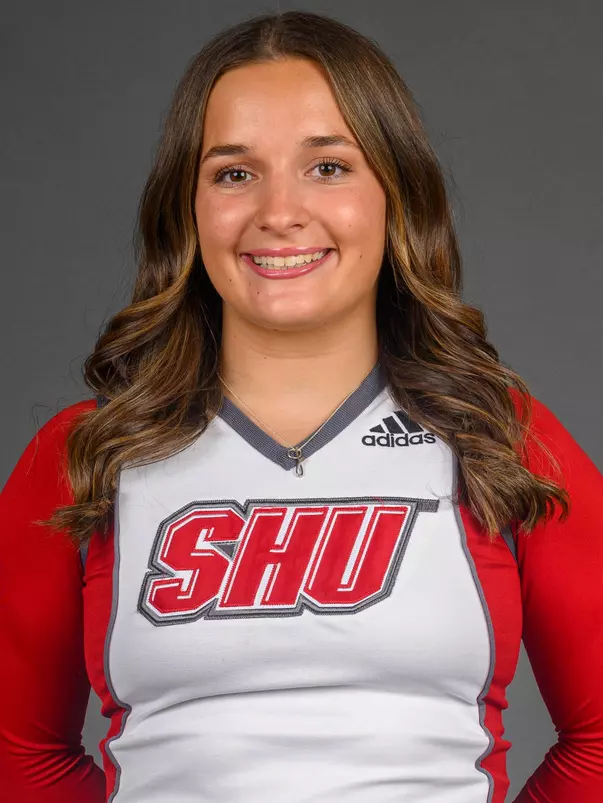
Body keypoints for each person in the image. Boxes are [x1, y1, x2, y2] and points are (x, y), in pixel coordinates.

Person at [1, 9, 602, 803]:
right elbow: (22, 754)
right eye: (233, 172)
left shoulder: (499, 440)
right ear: (187, 207)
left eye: (327, 167)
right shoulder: (85, 456)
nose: (278, 212)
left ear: (396, 194)